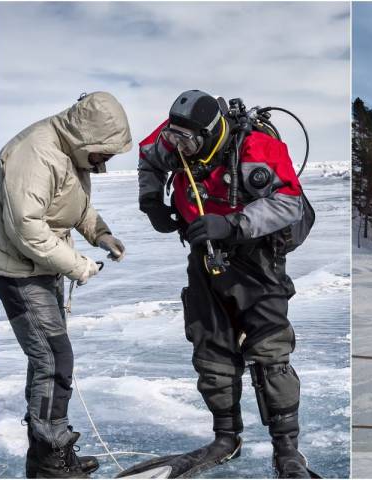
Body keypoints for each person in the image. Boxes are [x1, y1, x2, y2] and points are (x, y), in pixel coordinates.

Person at [136, 90, 313, 478]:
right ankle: (225, 436)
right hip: (204, 252)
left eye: (188, 141)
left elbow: (289, 204)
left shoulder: (255, 149)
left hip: (256, 259)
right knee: (209, 342)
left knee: (269, 349)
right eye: (175, 138)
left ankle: (287, 449)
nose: (179, 147)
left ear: (211, 132)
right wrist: (151, 201)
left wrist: (233, 224)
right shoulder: (172, 138)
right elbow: (148, 155)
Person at [0, 92, 132, 478]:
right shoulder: (34, 154)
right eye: (103, 153)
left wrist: (100, 234)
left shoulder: (71, 154)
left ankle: (44, 456)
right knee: (54, 359)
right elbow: (27, 228)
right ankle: (52, 460)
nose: (104, 161)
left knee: (47, 360)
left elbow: (76, 205)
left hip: (44, 266)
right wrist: (78, 266)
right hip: (20, 272)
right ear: (87, 138)